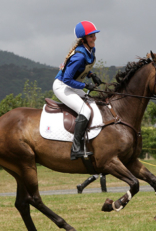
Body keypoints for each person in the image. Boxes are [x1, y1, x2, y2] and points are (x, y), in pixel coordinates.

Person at [53, 21, 103, 160]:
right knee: (85, 111)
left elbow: (83, 68)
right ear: (84, 39)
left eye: (94, 35)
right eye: (91, 36)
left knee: (93, 104)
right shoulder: (79, 56)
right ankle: (75, 149)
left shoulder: (90, 50)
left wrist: (92, 75)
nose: (94, 38)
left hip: (72, 85)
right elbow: (67, 79)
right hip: (62, 86)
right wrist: (86, 85)